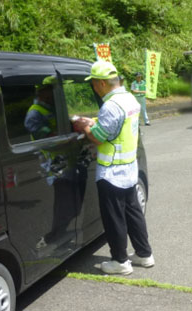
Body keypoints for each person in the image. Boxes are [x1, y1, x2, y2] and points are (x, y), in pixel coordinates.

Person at [73, 61, 154, 275]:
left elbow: (99, 137)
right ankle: (144, 254)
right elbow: (117, 125)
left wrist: (86, 126)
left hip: (111, 171)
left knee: (114, 217)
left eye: (93, 84)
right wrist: (95, 121)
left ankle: (120, 261)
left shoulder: (110, 105)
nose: (93, 88)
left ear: (100, 83)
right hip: (128, 167)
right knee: (133, 211)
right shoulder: (129, 99)